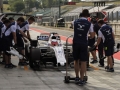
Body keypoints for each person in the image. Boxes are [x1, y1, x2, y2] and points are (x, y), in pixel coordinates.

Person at [73, 9, 94, 85]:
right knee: (83, 62)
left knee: (76, 60)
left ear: (81, 15)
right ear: (87, 16)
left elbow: (73, 29)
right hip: (84, 44)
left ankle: (76, 77)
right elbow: (92, 35)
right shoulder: (89, 24)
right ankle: (82, 79)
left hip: (76, 43)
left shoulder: (74, 21)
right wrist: (87, 35)